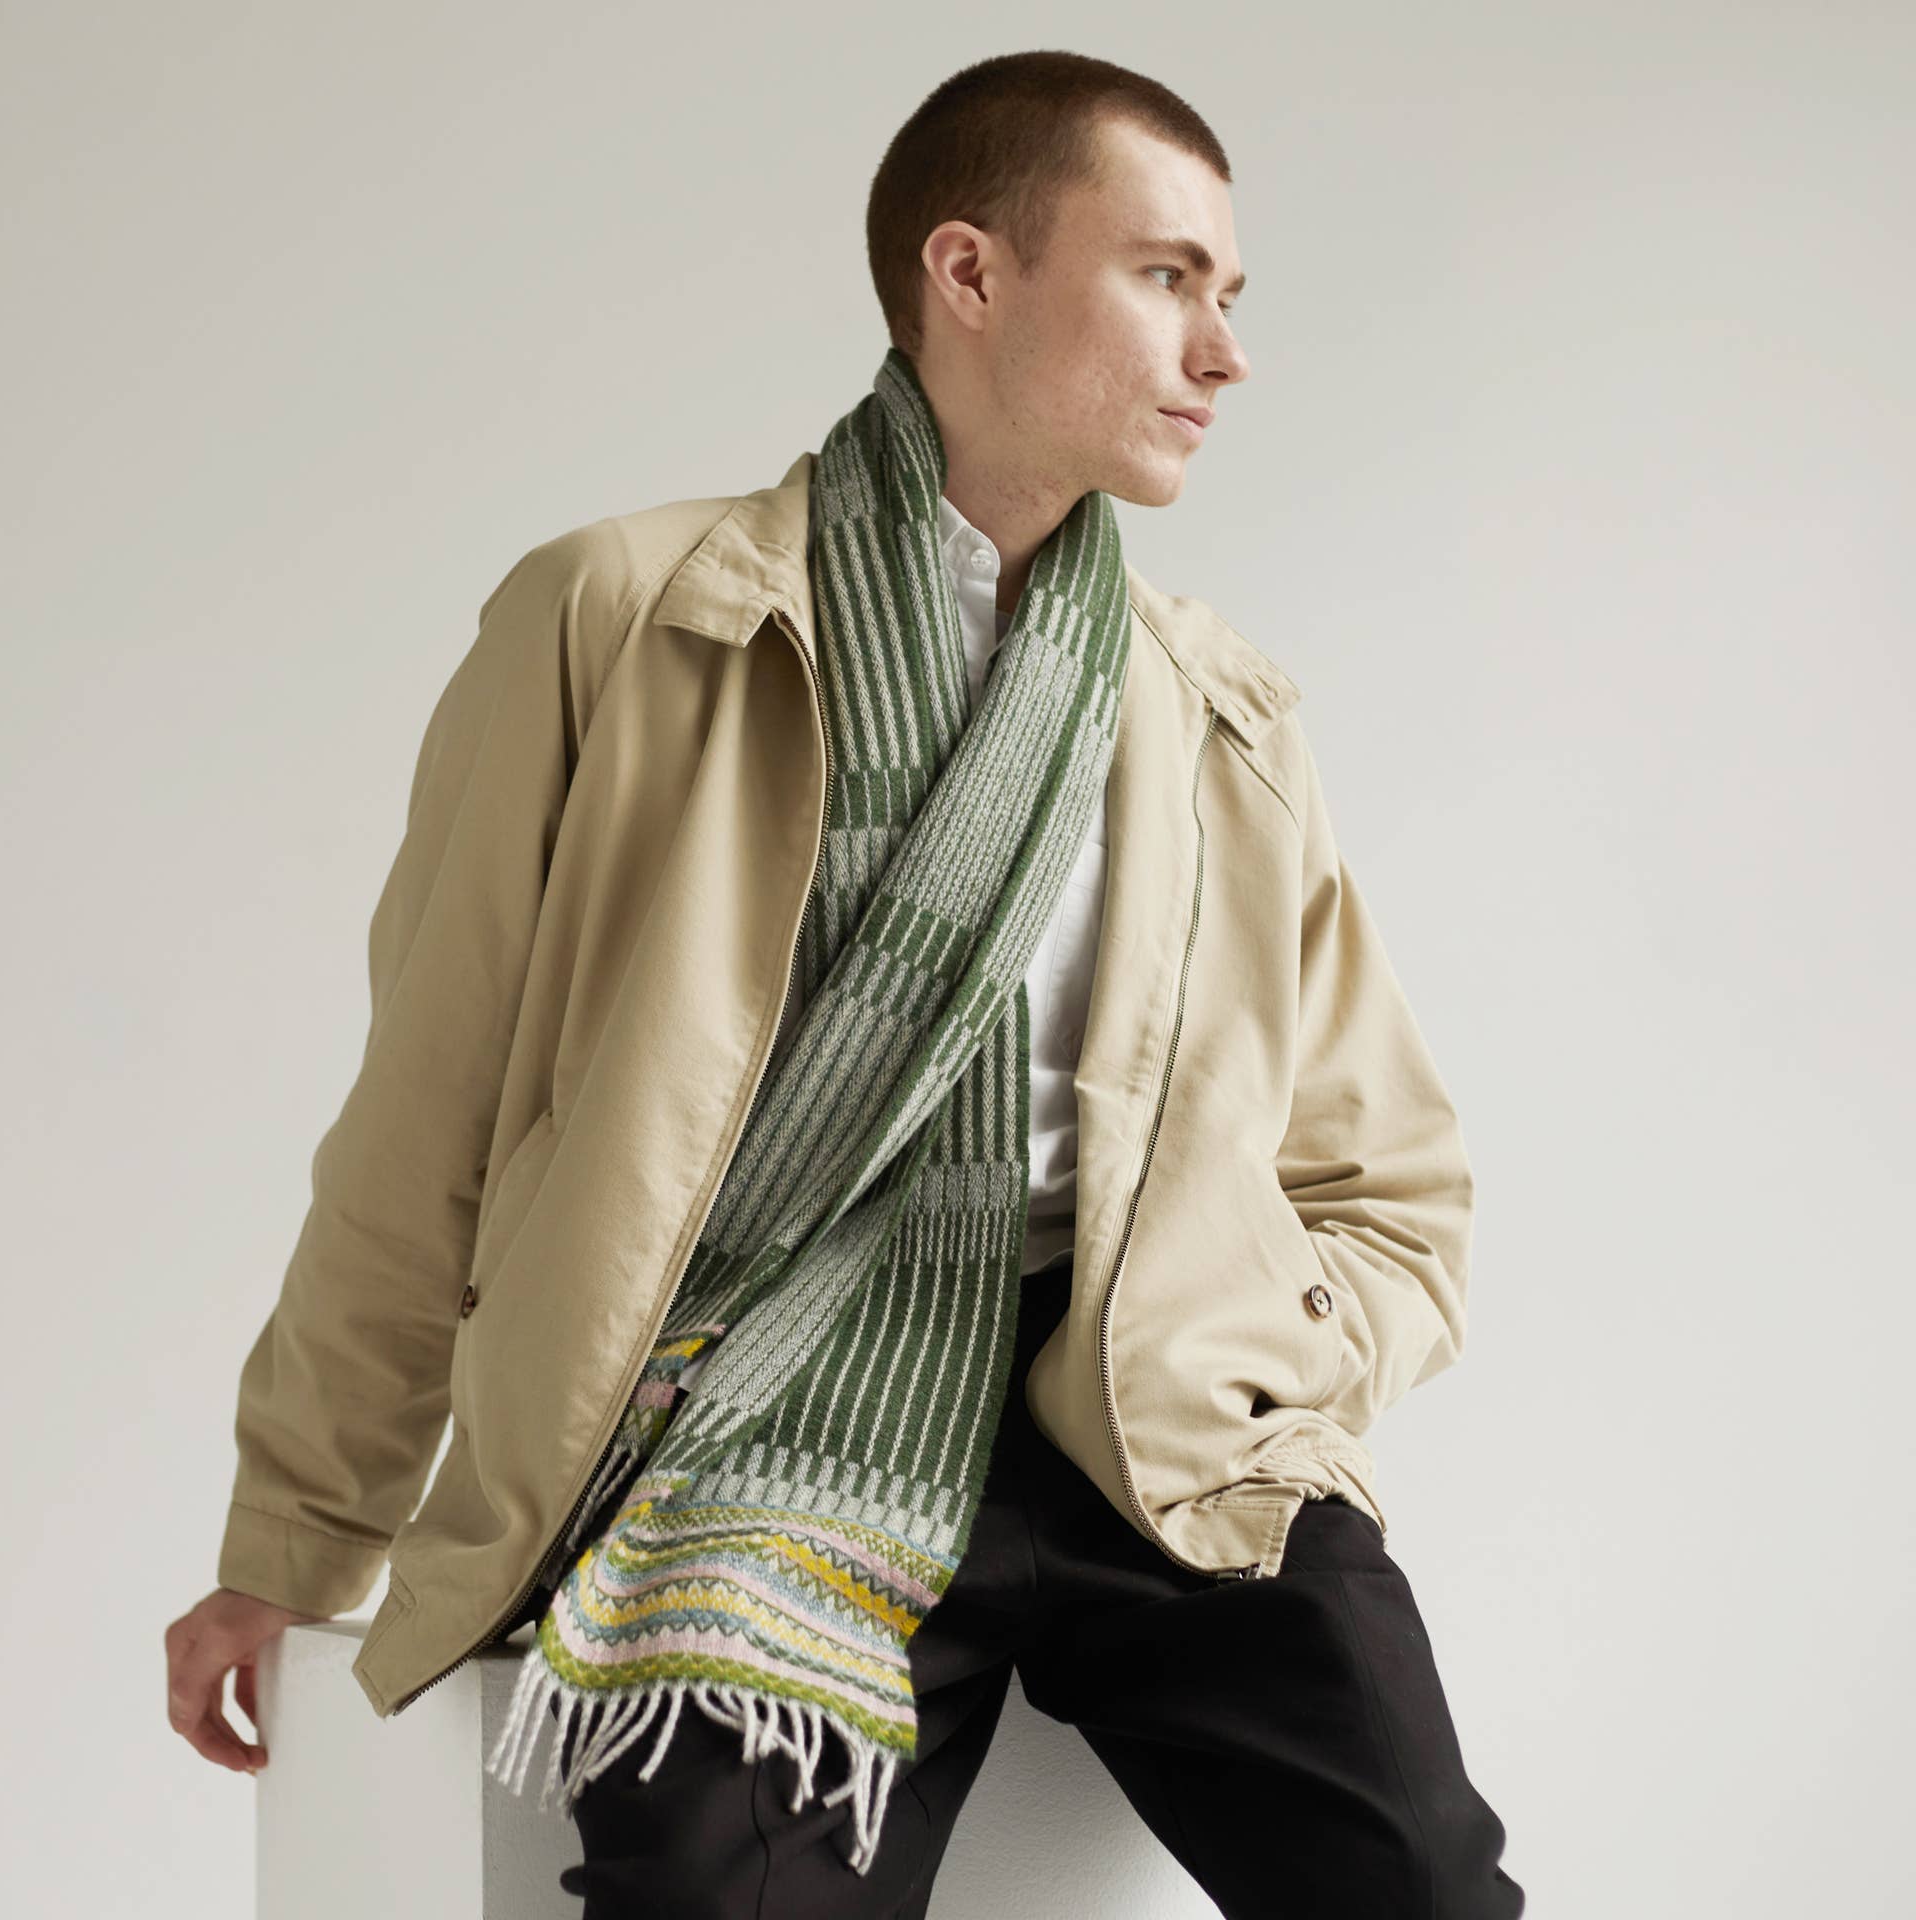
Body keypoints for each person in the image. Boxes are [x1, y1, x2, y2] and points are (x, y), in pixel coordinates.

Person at [167, 49, 1524, 1918]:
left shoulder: (1213, 709)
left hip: (1147, 1438)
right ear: (968, 274)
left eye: (1229, 293)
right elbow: (431, 1119)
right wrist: (294, 1536)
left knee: (1429, 1894)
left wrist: (1266, 1359)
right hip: (762, 1422)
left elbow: (1393, 1186)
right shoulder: (625, 622)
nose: (1222, 351)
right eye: (1167, 277)